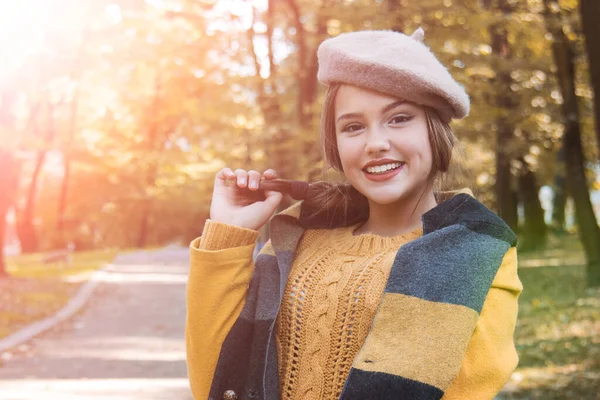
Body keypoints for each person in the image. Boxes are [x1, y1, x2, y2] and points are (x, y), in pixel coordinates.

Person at [186, 28, 523, 400]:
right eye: (353, 127)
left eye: (399, 119)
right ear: (336, 144)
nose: (375, 143)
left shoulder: (477, 249)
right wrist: (228, 235)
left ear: (435, 129)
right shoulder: (295, 236)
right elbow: (215, 382)